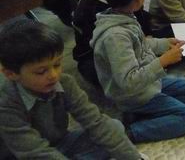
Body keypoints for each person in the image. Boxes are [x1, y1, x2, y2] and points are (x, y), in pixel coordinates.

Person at [91, 0, 185, 143]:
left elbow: (142, 44)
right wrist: (163, 61)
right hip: (133, 96)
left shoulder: (124, 17)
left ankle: (144, 114)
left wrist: (164, 44)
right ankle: (128, 132)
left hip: (150, 84)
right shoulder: (115, 36)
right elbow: (127, 83)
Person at [0, 19, 145, 159]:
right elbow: (34, 152)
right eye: (40, 72)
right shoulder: (6, 104)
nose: (53, 75)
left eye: (57, 65)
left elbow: (94, 121)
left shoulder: (64, 82)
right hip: (22, 155)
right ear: (11, 74)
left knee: (114, 127)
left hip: (61, 143)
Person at [73, 0, 153, 88]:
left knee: (161, 29)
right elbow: (113, 48)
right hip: (97, 58)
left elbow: (140, 18)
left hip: (127, 42)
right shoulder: (91, 9)